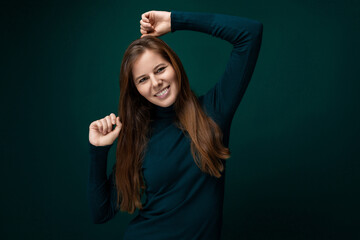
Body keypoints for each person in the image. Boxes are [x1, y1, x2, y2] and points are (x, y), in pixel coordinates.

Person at [88, 10, 263, 240]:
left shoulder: (212, 111)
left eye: (160, 69)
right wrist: (98, 151)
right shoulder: (137, 137)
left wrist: (174, 21)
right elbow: (101, 212)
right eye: (143, 79)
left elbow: (249, 34)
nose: (156, 82)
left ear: (175, 66)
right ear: (136, 91)